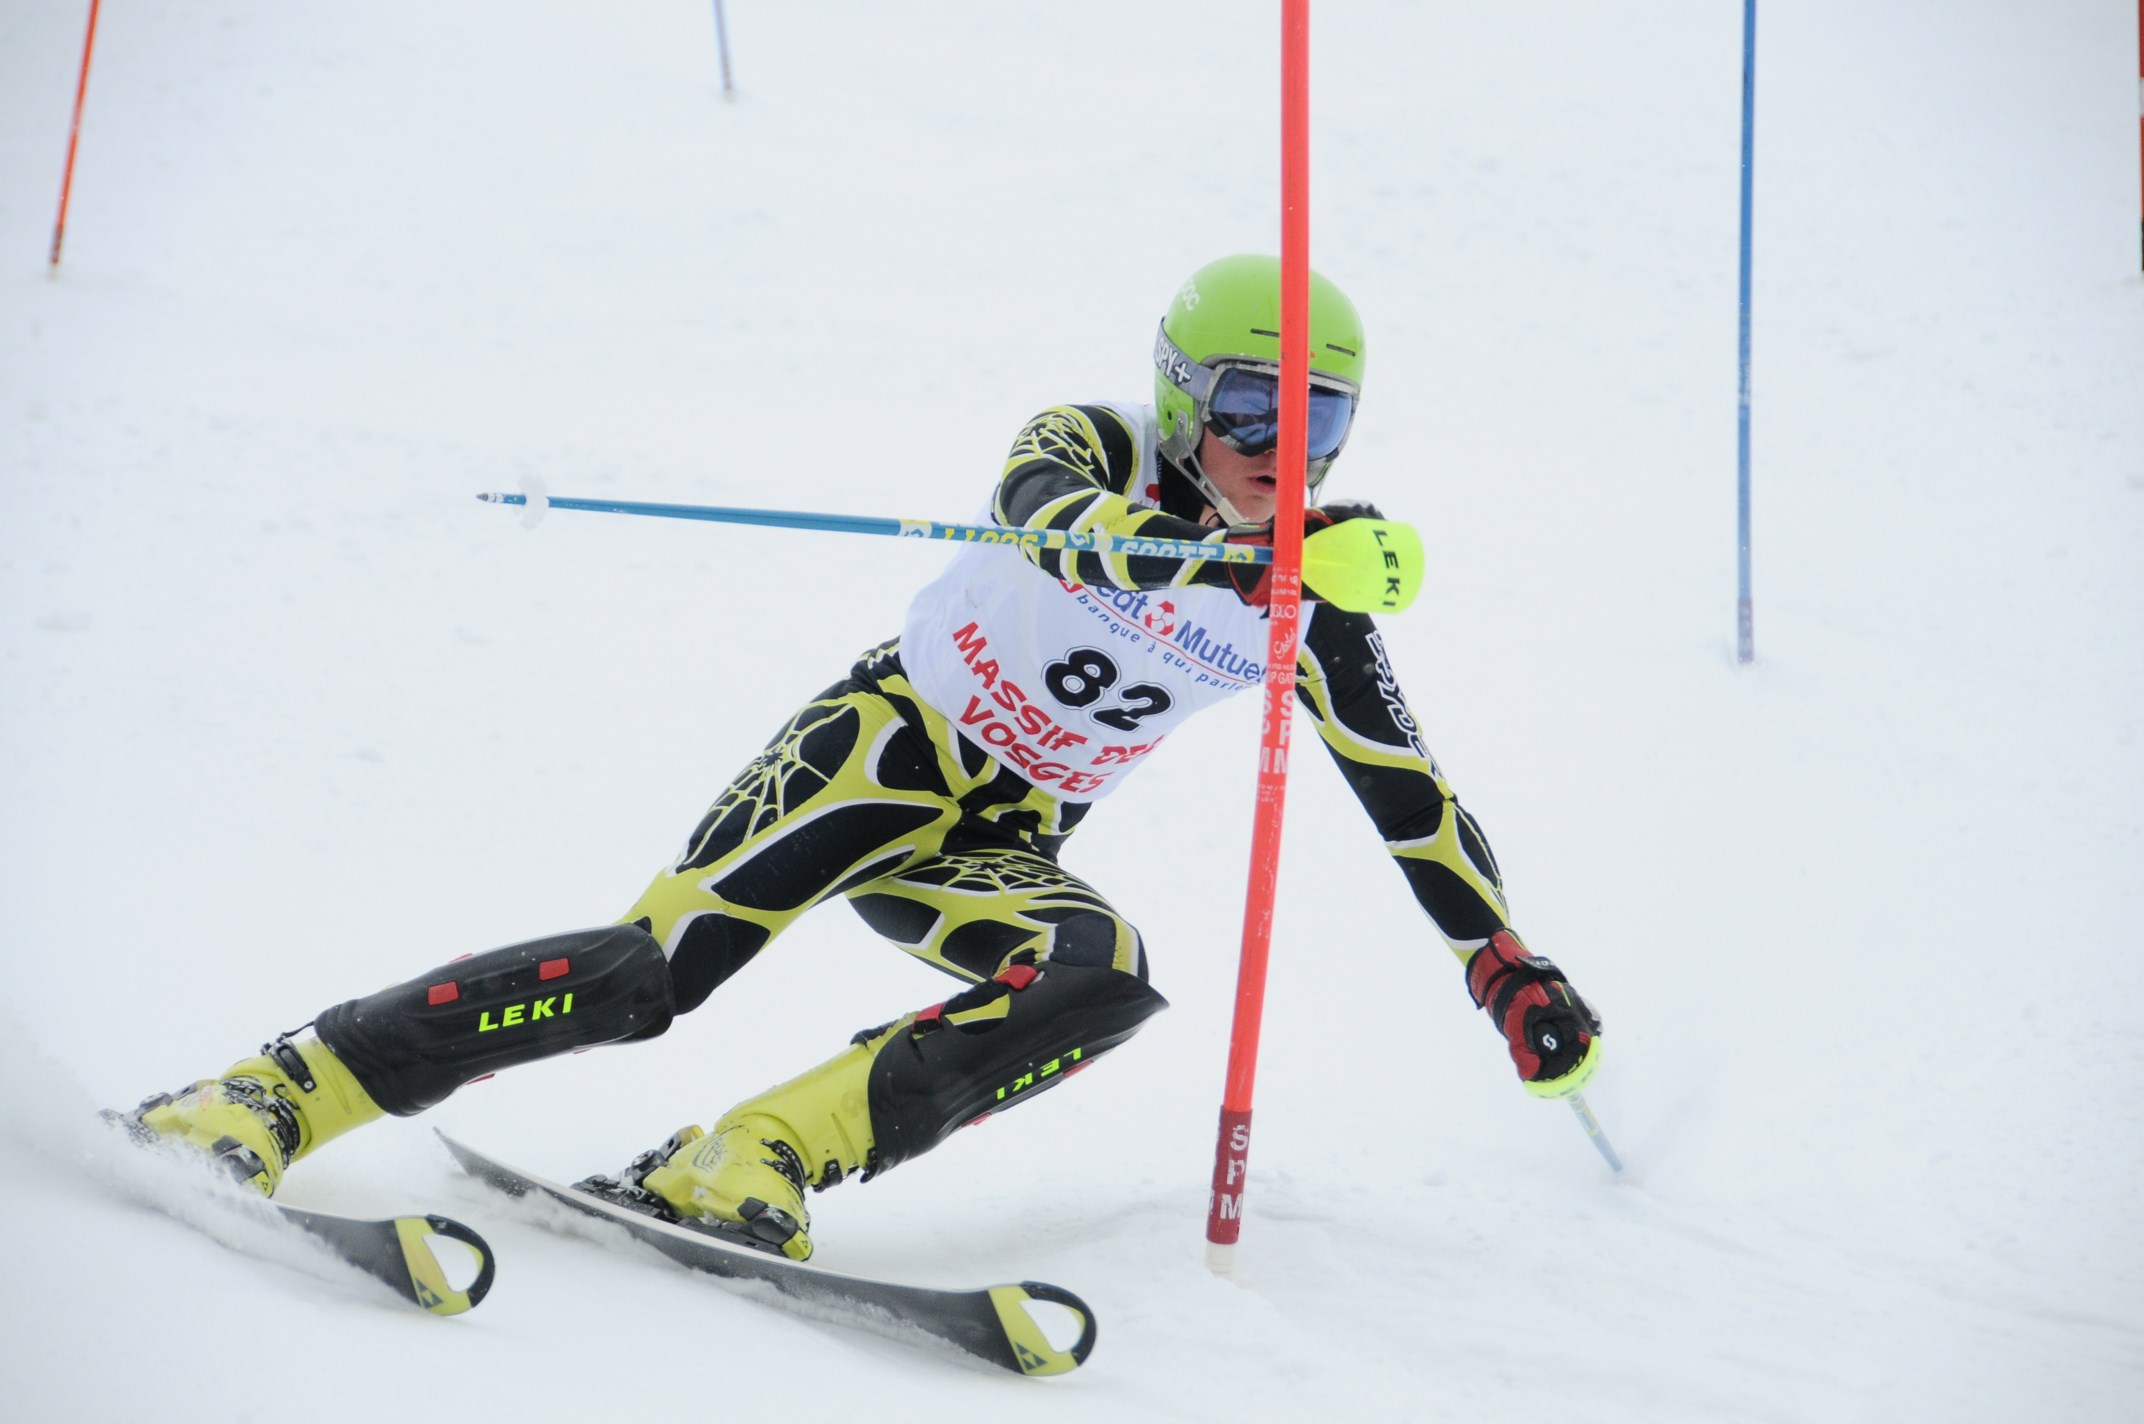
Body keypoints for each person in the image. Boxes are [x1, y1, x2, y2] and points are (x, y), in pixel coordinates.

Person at [119, 255, 1602, 1261]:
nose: (1285, 444)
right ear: (1178, 396)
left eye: (1318, 414)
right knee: (649, 979)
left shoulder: (1314, 596)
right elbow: (1040, 504)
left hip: (999, 842)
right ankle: (276, 1091)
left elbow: (1412, 800)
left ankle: (754, 1156)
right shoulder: (1098, 444)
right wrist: (1169, 551)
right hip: (877, 755)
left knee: (1102, 974)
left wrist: (1504, 967)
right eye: (1248, 406)